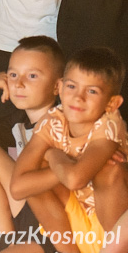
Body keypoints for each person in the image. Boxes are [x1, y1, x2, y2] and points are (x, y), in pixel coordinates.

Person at [11, 47, 128, 253]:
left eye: (92, 91)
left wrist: (53, 154)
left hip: (116, 235)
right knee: (34, 179)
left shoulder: (109, 125)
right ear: (60, 86)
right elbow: (18, 187)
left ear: (112, 103)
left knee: (109, 169)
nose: (78, 97)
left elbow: (75, 180)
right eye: (72, 86)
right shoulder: (53, 120)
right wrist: (65, 162)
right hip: (76, 232)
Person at [0, 37, 63, 252]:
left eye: (32, 75)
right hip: (30, 215)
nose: (19, 84)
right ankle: (4, 243)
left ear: (57, 86)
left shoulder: (63, 122)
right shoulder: (19, 120)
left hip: (56, 226)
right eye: (13, 74)